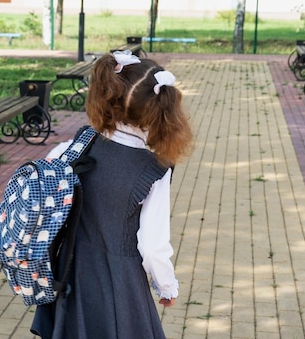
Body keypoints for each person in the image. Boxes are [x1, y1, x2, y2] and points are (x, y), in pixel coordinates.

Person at [30, 50, 193, 339]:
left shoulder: (77, 144)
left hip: (71, 270)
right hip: (119, 280)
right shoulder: (153, 169)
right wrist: (166, 286)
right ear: (159, 111)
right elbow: (153, 246)